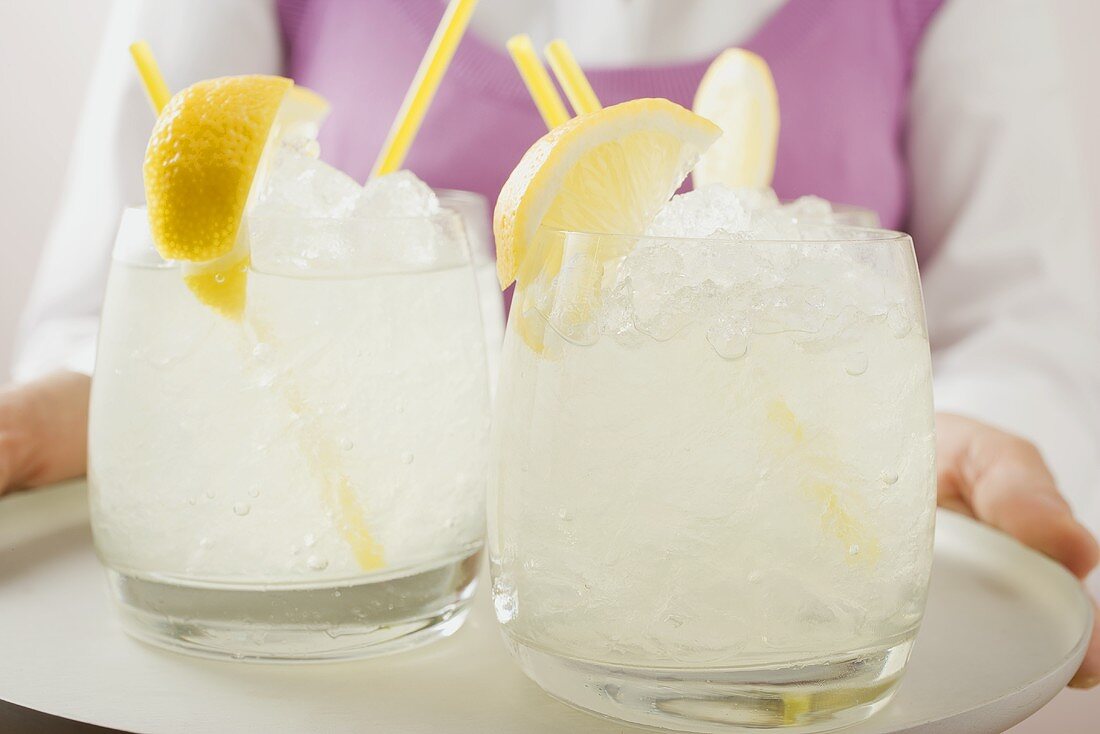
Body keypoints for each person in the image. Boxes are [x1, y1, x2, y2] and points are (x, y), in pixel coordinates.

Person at [2, 0, 1098, 688]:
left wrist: (975, 427)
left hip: (770, 590)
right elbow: (150, 246)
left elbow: (1016, 294)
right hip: (395, 630)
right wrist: (99, 400)